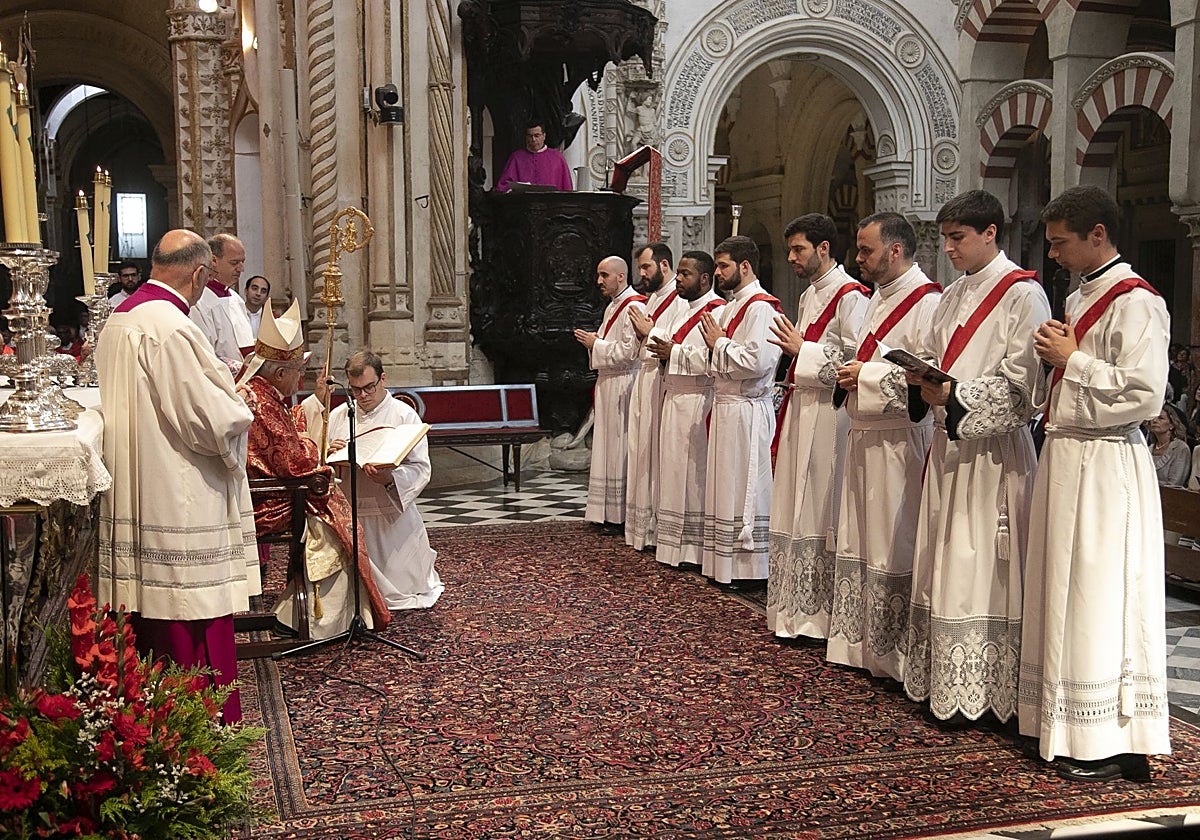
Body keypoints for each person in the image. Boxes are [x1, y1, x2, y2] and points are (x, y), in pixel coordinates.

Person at [1018, 185, 1171, 782]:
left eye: (1060, 243)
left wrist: (1072, 359)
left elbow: (1144, 394)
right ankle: (1065, 726)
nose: (1052, 254)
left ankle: (1109, 736)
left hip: (1107, 465)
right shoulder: (1085, 295)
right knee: (1062, 588)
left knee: (1098, 597)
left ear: (1098, 235)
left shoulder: (1136, 302)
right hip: (1065, 453)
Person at [95, 229, 260, 723]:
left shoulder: (120, 320)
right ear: (197, 273)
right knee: (191, 614)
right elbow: (208, 421)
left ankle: (149, 725)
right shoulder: (170, 326)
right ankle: (203, 729)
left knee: (151, 617)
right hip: (179, 491)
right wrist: (242, 406)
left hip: (138, 485)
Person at [903, 189, 1050, 726]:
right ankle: (948, 682)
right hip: (949, 445)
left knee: (980, 565)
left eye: (957, 237)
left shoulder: (1022, 296)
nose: (948, 249)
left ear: (991, 232)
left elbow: (1023, 389)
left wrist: (956, 395)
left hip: (991, 454)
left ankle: (987, 692)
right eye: (944, 238)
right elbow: (941, 353)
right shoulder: (954, 292)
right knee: (945, 557)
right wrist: (924, 375)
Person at [826, 213, 941, 680]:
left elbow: (929, 372)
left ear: (895, 250)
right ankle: (867, 646)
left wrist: (865, 375)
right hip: (865, 433)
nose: (859, 258)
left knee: (894, 541)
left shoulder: (928, 301)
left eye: (866, 250)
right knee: (861, 538)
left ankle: (895, 655)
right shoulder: (878, 297)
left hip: (900, 440)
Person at [239, 301, 391, 638]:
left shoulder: (261, 392)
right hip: (269, 501)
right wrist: (311, 444)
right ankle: (324, 620)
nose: (302, 377)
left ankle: (300, 609)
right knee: (336, 520)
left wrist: (308, 422)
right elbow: (297, 461)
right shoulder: (263, 400)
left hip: (264, 490)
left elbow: (285, 437)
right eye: (299, 370)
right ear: (280, 373)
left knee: (334, 503)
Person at [765, 213, 869, 643]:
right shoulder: (811, 295)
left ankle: (818, 615)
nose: (791, 257)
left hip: (829, 415)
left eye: (799, 249)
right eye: (790, 250)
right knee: (793, 502)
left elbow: (852, 363)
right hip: (803, 406)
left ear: (823, 248)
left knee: (818, 506)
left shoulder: (851, 297)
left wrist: (801, 351)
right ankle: (793, 608)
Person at [313, 350, 444, 610]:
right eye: (355, 390)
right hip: (352, 507)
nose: (362, 396)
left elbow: (421, 468)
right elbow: (316, 457)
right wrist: (328, 450)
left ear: (383, 379)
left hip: (390, 512)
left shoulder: (404, 416)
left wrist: (390, 478)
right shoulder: (340, 415)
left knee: (402, 589)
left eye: (369, 388)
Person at [700, 236, 783, 585]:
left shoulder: (761, 307)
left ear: (745, 266)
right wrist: (715, 349)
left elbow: (757, 361)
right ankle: (724, 564)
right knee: (724, 487)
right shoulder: (733, 306)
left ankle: (750, 566)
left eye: (723, 266)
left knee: (745, 487)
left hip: (747, 410)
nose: (717, 273)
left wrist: (718, 343)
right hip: (726, 407)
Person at [647, 251, 724, 569]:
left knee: (692, 474)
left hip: (696, 401)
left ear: (705, 279)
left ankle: (693, 547)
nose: (678, 278)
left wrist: (673, 351)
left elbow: (713, 359)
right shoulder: (682, 310)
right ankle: (672, 544)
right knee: (672, 470)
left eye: (685, 274)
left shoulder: (716, 311)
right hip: (674, 398)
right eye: (677, 272)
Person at [575, 256, 646, 530]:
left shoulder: (634, 306)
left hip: (624, 384)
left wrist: (597, 344)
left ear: (620, 276)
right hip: (609, 382)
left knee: (620, 446)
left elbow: (630, 354)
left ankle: (620, 515)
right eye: (598, 274)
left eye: (604, 275)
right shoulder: (614, 306)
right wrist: (597, 343)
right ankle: (606, 510)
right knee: (606, 447)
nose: (599, 281)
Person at [625, 242, 680, 550]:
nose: (642, 274)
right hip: (643, 378)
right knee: (640, 449)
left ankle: (655, 528)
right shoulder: (653, 298)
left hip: (660, 379)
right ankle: (640, 527)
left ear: (664, 265)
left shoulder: (678, 299)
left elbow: (670, 341)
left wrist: (649, 330)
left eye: (646, 267)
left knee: (653, 451)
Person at [190, 232, 254, 372]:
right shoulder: (198, 302)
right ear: (213, 261)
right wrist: (240, 369)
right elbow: (203, 354)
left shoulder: (236, 299)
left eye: (242, 262)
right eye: (234, 263)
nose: (241, 269)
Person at [495, 122, 573, 193]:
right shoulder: (516, 157)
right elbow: (503, 186)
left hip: (551, 205)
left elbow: (566, 187)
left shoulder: (557, 158)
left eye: (537, 135)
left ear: (544, 136)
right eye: (530, 136)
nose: (533, 139)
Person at [1147, 403, 1192, 487]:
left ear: (1171, 425)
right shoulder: (1148, 449)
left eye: (1161, 418)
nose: (1155, 420)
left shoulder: (1180, 448)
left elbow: (1175, 484)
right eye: (1153, 417)